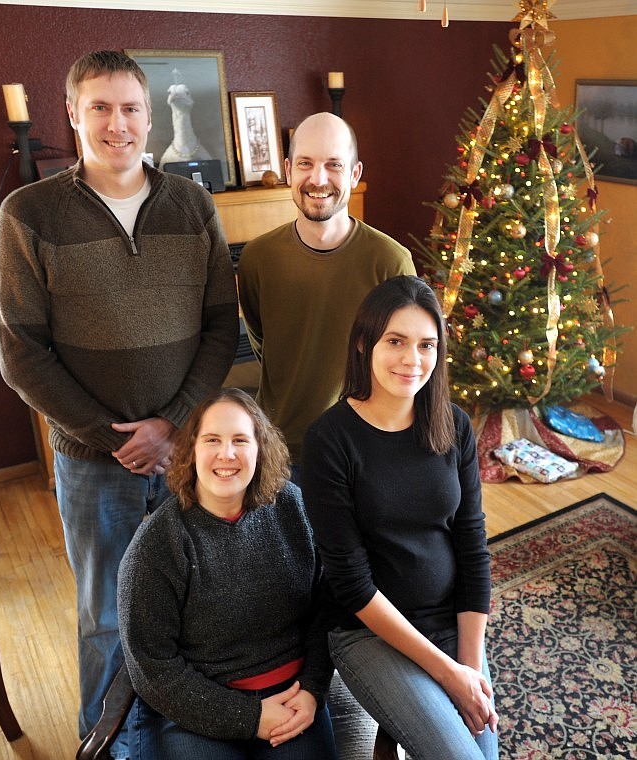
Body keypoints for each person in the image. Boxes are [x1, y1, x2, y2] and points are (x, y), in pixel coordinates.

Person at [0, 50, 239, 758]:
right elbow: (21, 352)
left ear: (149, 115)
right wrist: (114, 437)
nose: (116, 124)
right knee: (106, 612)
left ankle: (186, 725)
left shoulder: (192, 205)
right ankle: (106, 741)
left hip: (189, 453)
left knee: (194, 599)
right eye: (98, 107)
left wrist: (175, 428)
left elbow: (223, 325)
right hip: (93, 464)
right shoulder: (29, 214)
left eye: (130, 108)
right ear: (72, 114)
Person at [301, 276, 499, 759]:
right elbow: (350, 582)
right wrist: (446, 673)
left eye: (427, 345)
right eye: (396, 341)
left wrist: (468, 670)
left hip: (451, 623)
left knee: (481, 752)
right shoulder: (329, 440)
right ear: (364, 343)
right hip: (367, 634)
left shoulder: (454, 425)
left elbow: (473, 545)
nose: (413, 360)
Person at [117, 388, 338, 760]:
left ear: (260, 450)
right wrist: (249, 717)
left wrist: (313, 689)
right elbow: (152, 667)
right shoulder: (157, 545)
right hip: (196, 707)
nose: (227, 454)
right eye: (212, 440)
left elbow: (328, 610)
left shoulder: (293, 508)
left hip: (291, 697)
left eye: (240, 440)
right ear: (190, 451)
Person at [237, 111, 416, 482]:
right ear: (288, 170)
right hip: (279, 453)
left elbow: (407, 362)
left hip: (363, 453)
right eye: (306, 163)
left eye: (334, 164)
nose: (318, 179)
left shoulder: (391, 261)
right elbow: (262, 342)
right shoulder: (257, 258)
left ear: (354, 173)